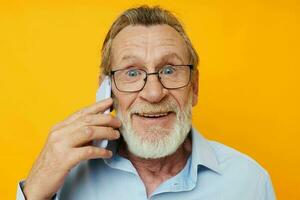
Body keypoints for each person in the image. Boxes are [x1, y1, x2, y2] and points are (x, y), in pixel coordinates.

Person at [17, 5, 276, 200]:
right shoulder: (64, 178)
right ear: (106, 89)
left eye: (169, 70)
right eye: (132, 72)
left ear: (194, 87)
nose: (154, 93)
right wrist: (34, 191)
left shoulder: (249, 181)